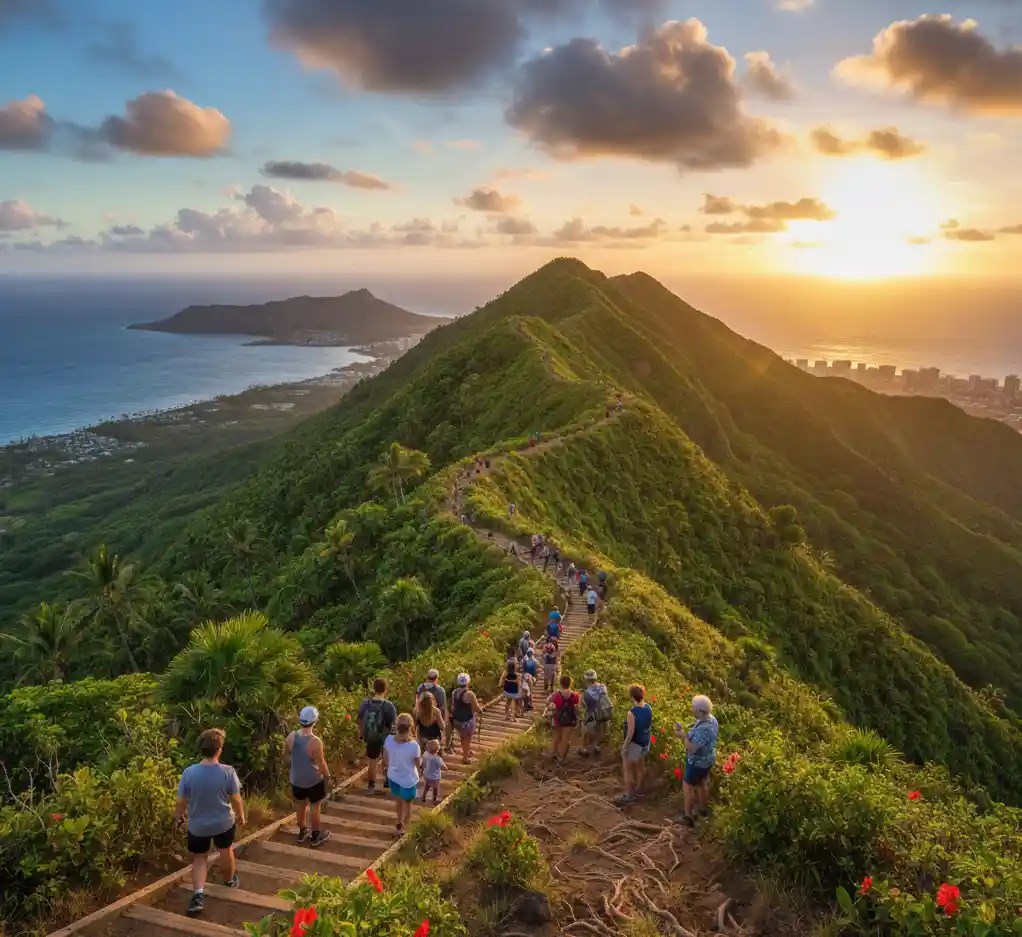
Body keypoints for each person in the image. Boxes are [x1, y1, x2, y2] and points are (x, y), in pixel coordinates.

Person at [175, 728, 246, 917]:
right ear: (219, 750)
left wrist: (178, 816)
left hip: (198, 825)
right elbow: (236, 799)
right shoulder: (228, 772)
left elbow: (181, 801)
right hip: (223, 822)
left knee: (199, 859)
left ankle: (198, 894)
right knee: (226, 850)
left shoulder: (189, 773)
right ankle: (229, 881)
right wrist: (241, 815)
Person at [285, 706, 331, 847]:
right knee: (315, 807)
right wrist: (327, 777)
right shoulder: (315, 741)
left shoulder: (291, 736)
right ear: (314, 721)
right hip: (313, 780)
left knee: (301, 804)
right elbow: (321, 763)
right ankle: (316, 835)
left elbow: (286, 757)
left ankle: (302, 831)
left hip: (296, 779)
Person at [674, 695, 720, 826]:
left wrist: (683, 737)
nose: (692, 710)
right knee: (701, 783)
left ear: (700, 710)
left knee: (688, 786)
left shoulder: (703, 728)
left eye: (694, 708)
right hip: (708, 759)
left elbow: (693, 748)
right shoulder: (711, 719)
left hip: (697, 762)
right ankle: (703, 811)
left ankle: (688, 816)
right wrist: (686, 733)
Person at [382, 713, 421, 836]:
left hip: (393, 777)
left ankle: (399, 824)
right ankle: (405, 828)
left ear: (396, 726)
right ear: (411, 728)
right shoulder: (414, 745)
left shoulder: (388, 740)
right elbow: (418, 764)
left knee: (398, 801)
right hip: (408, 779)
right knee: (407, 805)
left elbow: (385, 759)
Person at [358, 678, 398, 793]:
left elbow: (360, 719)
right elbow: (394, 723)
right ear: (386, 689)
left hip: (371, 735)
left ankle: (371, 786)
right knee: (388, 759)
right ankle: (387, 780)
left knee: (372, 761)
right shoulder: (388, 706)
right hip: (386, 736)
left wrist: (361, 734)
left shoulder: (366, 703)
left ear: (373, 689)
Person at [618, 684, 653, 805]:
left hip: (635, 743)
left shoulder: (632, 713)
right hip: (645, 742)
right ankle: (639, 788)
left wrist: (625, 747)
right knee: (640, 765)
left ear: (632, 696)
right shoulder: (648, 707)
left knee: (627, 768)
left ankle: (629, 795)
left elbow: (630, 733)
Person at [450, 673, 483, 764]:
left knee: (462, 736)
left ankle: (466, 751)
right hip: (466, 720)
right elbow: (475, 707)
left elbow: (453, 706)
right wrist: (480, 711)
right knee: (467, 738)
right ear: (468, 682)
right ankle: (465, 758)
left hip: (457, 719)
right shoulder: (469, 694)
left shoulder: (455, 692)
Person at [580, 670, 613, 756]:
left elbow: (585, 705)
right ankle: (596, 746)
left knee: (585, 730)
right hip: (603, 712)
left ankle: (584, 749)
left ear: (586, 679)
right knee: (600, 730)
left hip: (591, 714)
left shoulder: (587, 692)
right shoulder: (603, 687)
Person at [548, 674, 579, 762]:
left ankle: (553, 753)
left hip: (558, 718)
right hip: (570, 719)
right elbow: (577, 706)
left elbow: (552, 705)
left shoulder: (557, 694)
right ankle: (562, 757)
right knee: (566, 738)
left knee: (556, 737)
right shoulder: (575, 695)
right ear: (570, 683)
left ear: (561, 683)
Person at [421, 739, 447, 805]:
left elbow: (423, 764)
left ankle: (423, 796)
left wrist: (421, 770)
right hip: (435, 777)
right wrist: (446, 768)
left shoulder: (425, 754)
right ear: (438, 750)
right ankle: (434, 800)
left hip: (426, 775)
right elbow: (443, 767)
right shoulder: (438, 759)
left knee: (427, 786)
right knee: (435, 789)